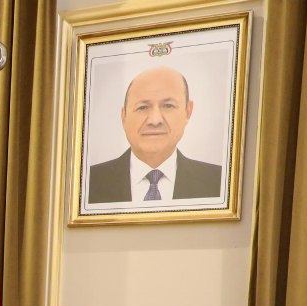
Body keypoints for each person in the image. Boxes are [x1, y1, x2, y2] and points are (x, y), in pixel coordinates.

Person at [86, 66, 222, 204]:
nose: (155, 120)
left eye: (168, 106)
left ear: (188, 111)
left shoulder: (218, 182)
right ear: (123, 116)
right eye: (142, 107)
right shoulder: (87, 183)